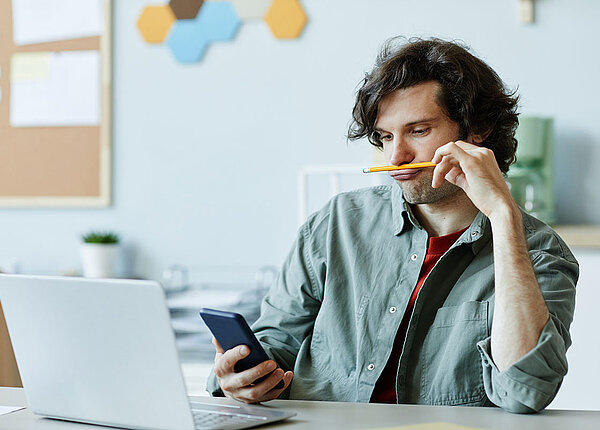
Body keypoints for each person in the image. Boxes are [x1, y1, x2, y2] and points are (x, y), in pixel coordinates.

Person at [206, 37, 578, 413]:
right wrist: (240, 375)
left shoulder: (539, 251)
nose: (396, 157)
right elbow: (277, 340)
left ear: (477, 128)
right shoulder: (338, 222)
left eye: (418, 131)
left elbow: (524, 391)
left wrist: (503, 216)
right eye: (385, 137)